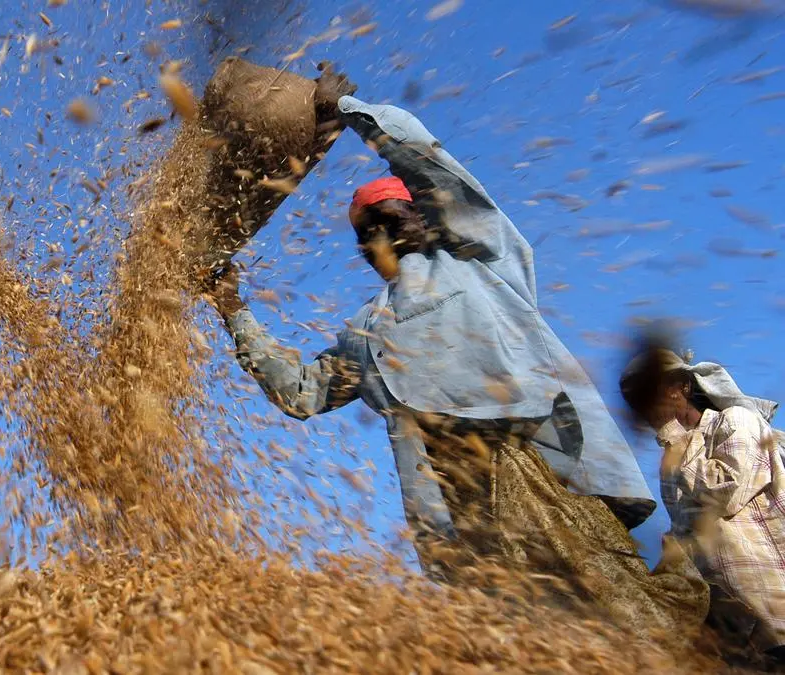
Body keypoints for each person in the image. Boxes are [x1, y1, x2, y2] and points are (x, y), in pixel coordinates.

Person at [204, 92, 708, 641]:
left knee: (623, 623)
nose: (382, 234)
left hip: (540, 479)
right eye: (368, 230)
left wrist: (350, 112)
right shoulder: (366, 332)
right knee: (534, 642)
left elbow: (433, 166)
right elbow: (302, 392)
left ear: (422, 214)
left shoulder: (484, 264)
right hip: (460, 516)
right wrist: (235, 309)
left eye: (389, 217)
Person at [621, 347, 785, 659]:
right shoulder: (672, 458)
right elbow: (690, 532)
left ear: (682, 386)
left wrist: (672, 433)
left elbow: (727, 492)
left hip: (770, 605)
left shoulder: (736, 420)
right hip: (728, 618)